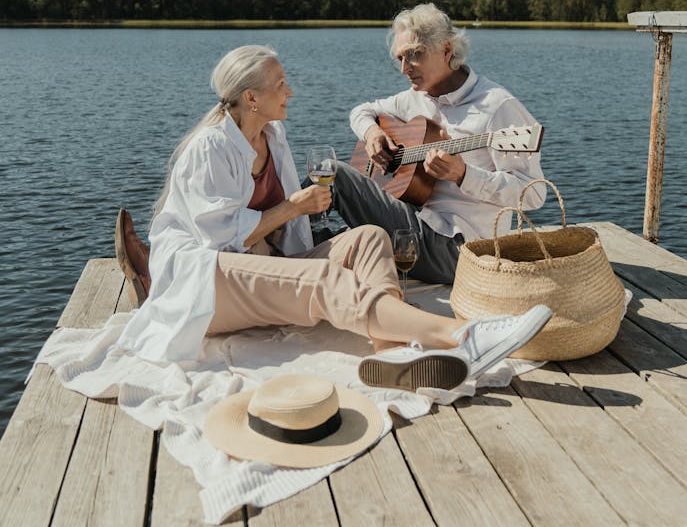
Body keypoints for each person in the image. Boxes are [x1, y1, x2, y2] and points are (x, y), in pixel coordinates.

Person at [117, 44, 551, 393]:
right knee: (326, 280)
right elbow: (218, 240)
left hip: (257, 267)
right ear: (251, 97)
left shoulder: (273, 136)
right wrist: (294, 208)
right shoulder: (210, 148)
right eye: (281, 84)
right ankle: (463, 336)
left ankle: (390, 352)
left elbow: (286, 235)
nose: (290, 92)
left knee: (368, 238)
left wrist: (297, 223)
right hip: (209, 278)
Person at [329, 4, 546, 284]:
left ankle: (270, 254)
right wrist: (372, 133)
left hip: (461, 250)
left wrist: (464, 175)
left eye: (414, 55)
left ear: (446, 50)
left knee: (332, 175)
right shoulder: (415, 97)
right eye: (400, 59)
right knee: (325, 235)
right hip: (415, 227)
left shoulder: (497, 106)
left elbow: (534, 195)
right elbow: (361, 111)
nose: (405, 69)